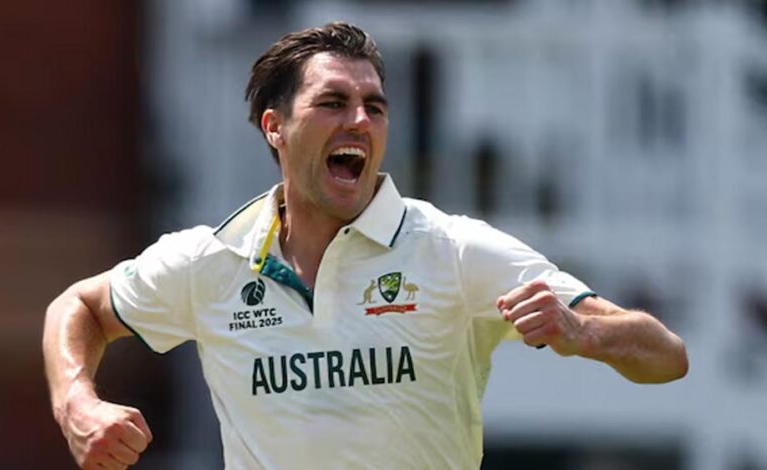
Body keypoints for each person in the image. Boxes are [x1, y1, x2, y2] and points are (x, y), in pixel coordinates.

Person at [43, 22, 688, 470]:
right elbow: (79, 307)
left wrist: (582, 330)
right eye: (333, 102)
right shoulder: (213, 261)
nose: (359, 120)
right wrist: (78, 402)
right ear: (275, 127)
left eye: (374, 107)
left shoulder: (453, 250)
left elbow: (667, 355)